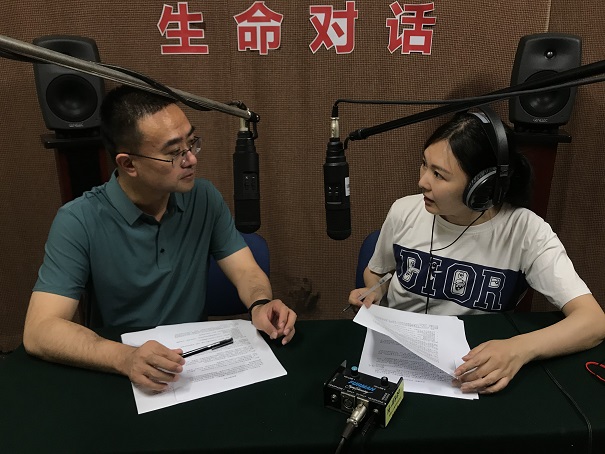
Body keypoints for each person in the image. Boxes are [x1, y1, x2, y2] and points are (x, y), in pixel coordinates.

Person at [23, 84, 297, 392]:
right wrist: (125, 358)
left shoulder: (203, 197)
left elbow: (245, 270)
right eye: (174, 153)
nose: (191, 159)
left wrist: (260, 304)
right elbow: (39, 330)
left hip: (194, 364)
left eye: (191, 143)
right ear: (128, 164)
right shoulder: (78, 220)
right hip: (122, 369)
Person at [348, 108, 605, 394]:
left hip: (471, 369)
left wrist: (518, 349)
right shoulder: (403, 211)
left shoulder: (525, 231)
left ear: (481, 187)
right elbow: (377, 272)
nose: (422, 181)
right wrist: (375, 290)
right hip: (398, 358)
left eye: (439, 175)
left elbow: (593, 322)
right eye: (424, 165)